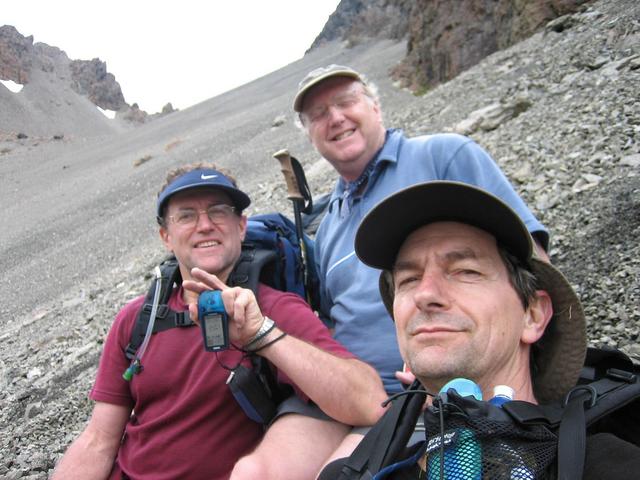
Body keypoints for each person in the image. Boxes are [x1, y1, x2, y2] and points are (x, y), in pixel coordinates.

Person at [51, 163, 386, 480]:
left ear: (241, 227)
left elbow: (368, 401)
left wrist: (261, 336)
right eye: (186, 216)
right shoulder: (138, 319)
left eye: (218, 211)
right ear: (166, 236)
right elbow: (99, 439)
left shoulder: (274, 309)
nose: (205, 225)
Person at [293, 64, 551, 458]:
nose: (336, 118)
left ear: (376, 107)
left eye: (346, 102)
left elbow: (531, 265)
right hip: (350, 397)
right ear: (310, 135)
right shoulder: (326, 229)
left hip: (436, 396)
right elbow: (332, 321)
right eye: (318, 115)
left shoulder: (442, 156)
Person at [317, 180, 640, 479]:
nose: (425, 295)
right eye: (408, 279)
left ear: (533, 314)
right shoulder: (350, 473)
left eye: (465, 271)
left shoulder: (607, 465)